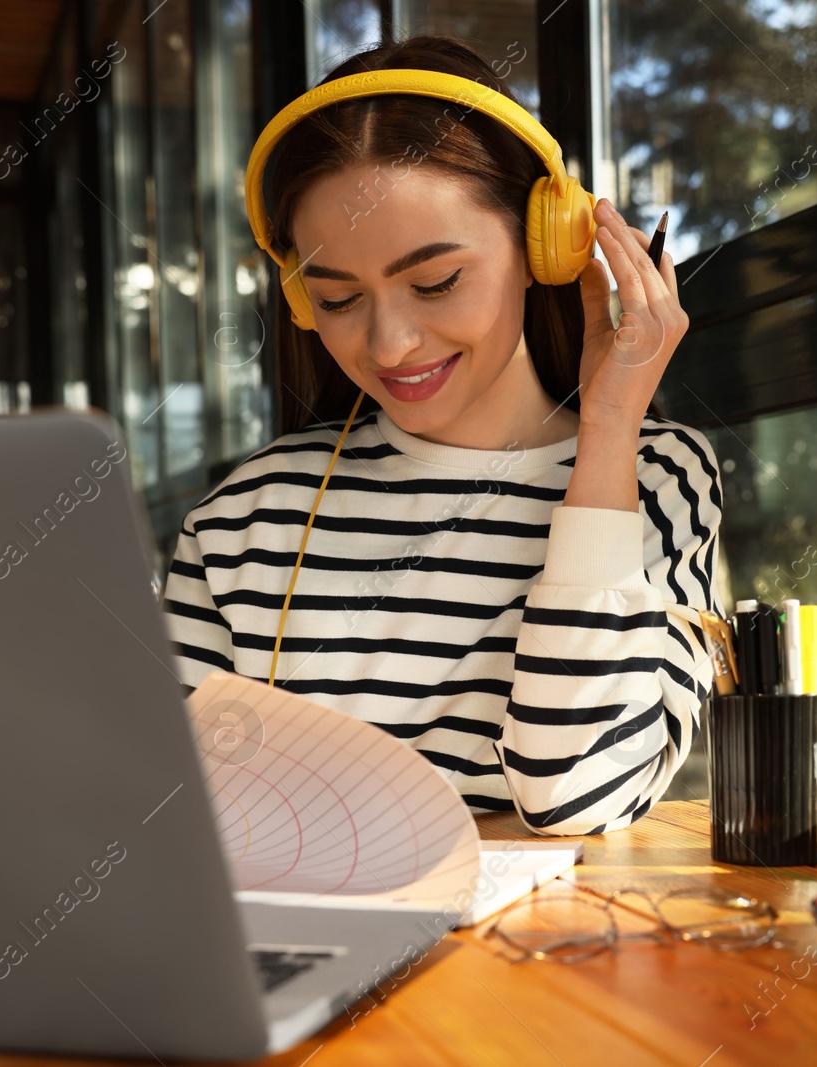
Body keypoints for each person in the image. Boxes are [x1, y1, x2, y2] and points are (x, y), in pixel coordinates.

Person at [162, 34, 722, 836]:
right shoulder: (242, 522)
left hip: (541, 960)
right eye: (338, 298)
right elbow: (174, 828)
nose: (389, 345)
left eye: (436, 281)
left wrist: (606, 434)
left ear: (545, 246)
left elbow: (575, 795)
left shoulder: (658, 480)